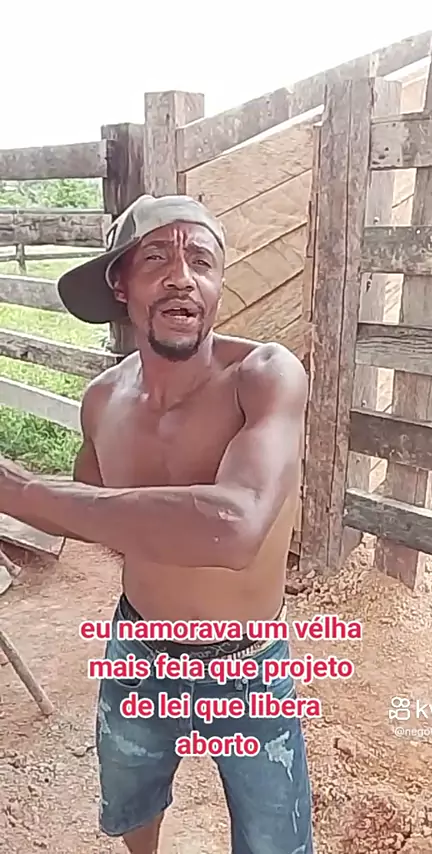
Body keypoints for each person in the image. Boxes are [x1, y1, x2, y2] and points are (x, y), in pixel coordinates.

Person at [0, 194, 313, 854]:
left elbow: (234, 527)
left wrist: (22, 492)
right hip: (139, 644)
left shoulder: (264, 376)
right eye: (156, 259)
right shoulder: (102, 399)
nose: (182, 277)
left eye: (201, 260)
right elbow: (92, 513)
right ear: (121, 284)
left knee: (274, 841)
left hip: (249, 666)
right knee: (131, 803)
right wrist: (35, 497)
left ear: (218, 285)